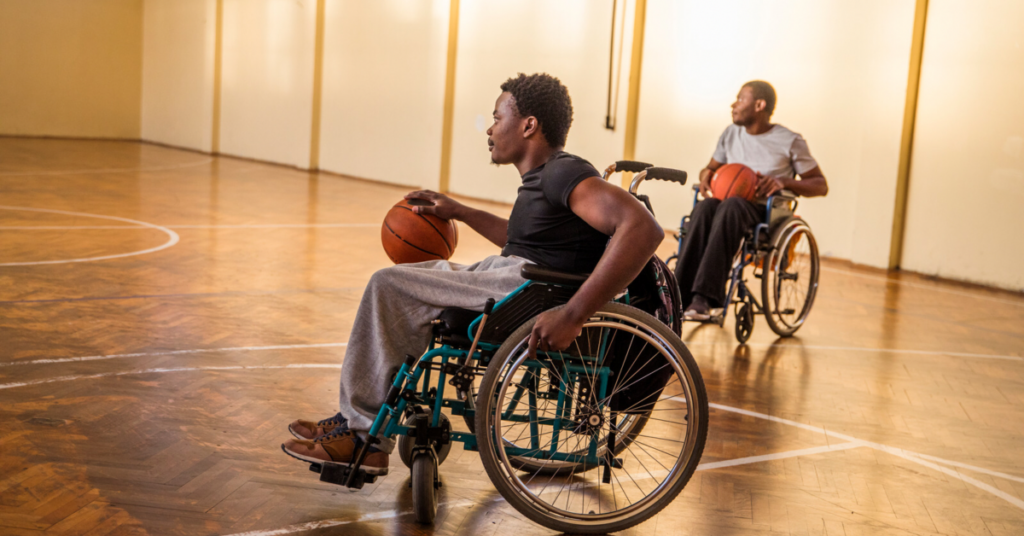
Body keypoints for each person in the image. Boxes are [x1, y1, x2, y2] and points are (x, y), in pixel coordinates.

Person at [280, 73, 665, 475]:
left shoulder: (562, 173)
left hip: (529, 289)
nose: (490, 128)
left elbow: (643, 228)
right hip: (521, 277)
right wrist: (460, 211)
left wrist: (574, 315)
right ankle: (357, 421)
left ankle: (362, 437)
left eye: (498, 117)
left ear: (528, 125)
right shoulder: (544, 178)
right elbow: (520, 242)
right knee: (410, 281)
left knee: (388, 284)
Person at [673, 80, 828, 320]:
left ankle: (705, 297)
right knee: (705, 207)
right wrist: (706, 177)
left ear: (759, 105)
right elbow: (710, 169)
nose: (733, 105)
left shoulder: (790, 140)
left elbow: (820, 185)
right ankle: (676, 296)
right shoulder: (731, 133)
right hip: (727, 206)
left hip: (764, 211)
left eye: (740, 99)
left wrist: (784, 182)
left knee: (730, 206)